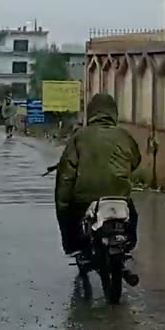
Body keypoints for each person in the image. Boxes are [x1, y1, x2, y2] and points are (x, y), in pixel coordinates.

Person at [53, 92, 141, 257]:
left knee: (70, 217)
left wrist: (63, 206)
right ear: (114, 113)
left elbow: (66, 176)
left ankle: (75, 247)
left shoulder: (79, 137)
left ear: (91, 112)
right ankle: (127, 245)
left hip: (84, 200)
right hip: (119, 198)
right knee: (133, 216)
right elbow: (135, 161)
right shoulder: (125, 136)